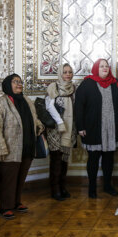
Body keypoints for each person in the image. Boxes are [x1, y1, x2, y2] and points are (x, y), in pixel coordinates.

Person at [0, 74, 44, 219]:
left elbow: (34, 117)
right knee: (7, 179)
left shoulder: (26, 100)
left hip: (27, 147)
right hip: (8, 150)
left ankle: (16, 202)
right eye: (15, 82)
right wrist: (0, 148)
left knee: (20, 178)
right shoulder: (0, 104)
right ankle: (5, 207)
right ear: (8, 84)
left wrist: (38, 126)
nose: (19, 84)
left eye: (20, 82)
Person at [74, 59, 118, 199]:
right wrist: (80, 127)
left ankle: (107, 186)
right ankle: (92, 188)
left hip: (111, 129)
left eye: (107, 66)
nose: (105, 68)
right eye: (102, 66)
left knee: (108, 159)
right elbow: (79, 107)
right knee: (93, 160)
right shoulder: (87, 83)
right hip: (93, 128)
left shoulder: (115, 84)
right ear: (96, 68)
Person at [45, 63, 76, 201]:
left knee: (64, 159)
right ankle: (55, 189)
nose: (68, 74)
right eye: (65, 72)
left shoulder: (73, 88)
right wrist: (60, 122)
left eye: (70, 72)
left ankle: (63, 187)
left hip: (69, 129)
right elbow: (49, 106)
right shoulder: (54, 87)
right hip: (56, 129)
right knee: (56, 159)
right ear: (60, 73)